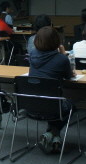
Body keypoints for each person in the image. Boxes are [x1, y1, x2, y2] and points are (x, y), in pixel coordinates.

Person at [28, 26, 74, 154]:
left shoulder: (32, 54)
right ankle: (53, 133)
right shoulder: (61, 59)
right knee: (72, 102)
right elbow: (69, 76)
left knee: (50, 100)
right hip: (53, 107)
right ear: (57, 41)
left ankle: (51, 135)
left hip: (30, 105)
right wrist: (63, 54)